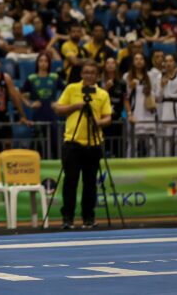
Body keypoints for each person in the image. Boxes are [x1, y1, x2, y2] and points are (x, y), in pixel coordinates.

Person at [54, 61, 112, 230]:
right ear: (81, 74)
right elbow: (58, 109)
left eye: (92, 73)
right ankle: (68, 217)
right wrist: (77, 106)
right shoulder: (72, 89)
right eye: (85, 72)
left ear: (97, 76)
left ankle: (88, 217)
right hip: (72, 142)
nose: (88, 76)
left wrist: (98, 123)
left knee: (90, 183)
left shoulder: (102, 94)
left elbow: (108, 117)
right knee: (70, 181)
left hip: (93, 143)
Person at [123, 52, 157, 157]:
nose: (139, 61)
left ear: (144, 61)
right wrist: (129, 114)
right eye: (136, 59)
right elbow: (125, 98)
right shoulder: (127, 76)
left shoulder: (151, 76)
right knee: (132, 144)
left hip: (148, 113)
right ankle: (130, 167)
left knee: (150, 144)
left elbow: (156, 94)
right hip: (135, 114)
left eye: (141, 59)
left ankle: (152, 167)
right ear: (133, 62)